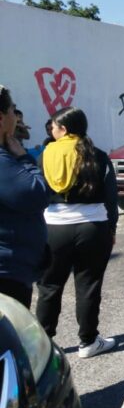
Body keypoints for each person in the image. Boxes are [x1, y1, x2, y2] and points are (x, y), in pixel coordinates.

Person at [35, 107, 119, 358]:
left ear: (64, 128)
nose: (51, 130)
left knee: (49, 286)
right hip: (93, 228)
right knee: (88, 286)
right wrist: (112, 228)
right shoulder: (98, 156)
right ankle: (88, 342)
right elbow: (111, 197)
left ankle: (44, 346)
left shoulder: (44, 155)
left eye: (54, 126)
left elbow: (35, 192)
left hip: (53, 228)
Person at [0, 86, 50, 308]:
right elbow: (37, 194)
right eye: (13, 110)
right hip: (7, 277)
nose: (17, 118)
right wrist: (24, 158)